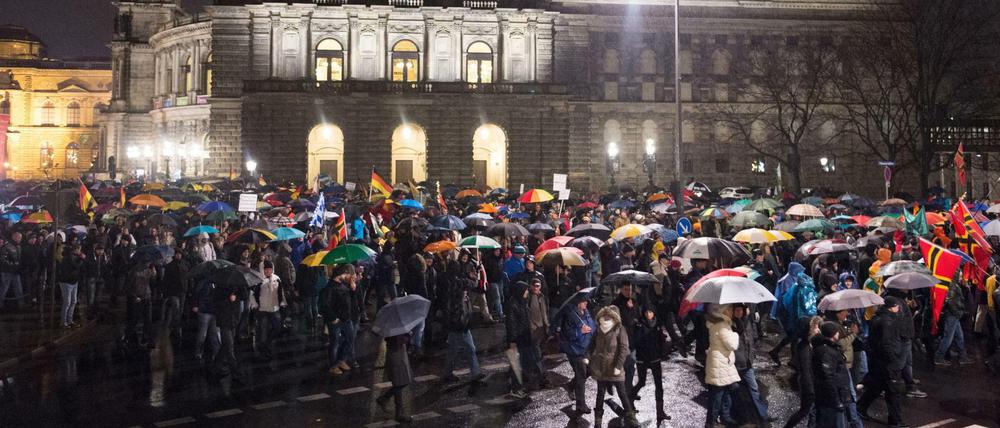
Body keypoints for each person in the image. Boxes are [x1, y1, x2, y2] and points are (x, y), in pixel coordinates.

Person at [858, 297, 907, 427]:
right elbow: (887, 344)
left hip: (878, 360)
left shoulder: (878, 318)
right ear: (891, 307)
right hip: (888, 362)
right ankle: (896, 421)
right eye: (897, 307)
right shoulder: (888, 322)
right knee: (893, 391)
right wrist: (894, 361)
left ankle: (860, 407)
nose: (899, 309)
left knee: (876, 386)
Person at [588, 305, 639, 427]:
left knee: (622, 392)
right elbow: (592, 345)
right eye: (604, 315)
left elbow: (623, 349)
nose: (606, 318)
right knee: (600, 393)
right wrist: (589, 357)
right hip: (601, 368)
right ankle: (598, 421)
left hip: (615, 368)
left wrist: (618, 366)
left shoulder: (620, 329)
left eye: (609, 315)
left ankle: (631, 418)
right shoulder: (599, 329)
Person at [553, 293, 595, 415]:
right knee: (581, 375)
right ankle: (581, 405)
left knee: (590, 371)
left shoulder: (586, 313)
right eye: (583, 301)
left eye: (586, 301)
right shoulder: (571, 315)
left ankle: (571, 386)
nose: (586, 303)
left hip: (585, 348)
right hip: (575, 350)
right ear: (578, 303)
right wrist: (579, 331)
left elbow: (592, 326)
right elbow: (567, 334)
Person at [732, 303, 772, 425]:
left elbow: (750, 339)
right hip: (736, 363)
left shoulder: (746, 321)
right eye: (736, 310)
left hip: (747, 361)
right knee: (734, 391)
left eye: (741, 310)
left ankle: (763, 415)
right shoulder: (730, 325)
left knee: (754, 389)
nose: (739, 312)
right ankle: (738, 416)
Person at [812, 321, 854, 428]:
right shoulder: (826, 351)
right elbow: (828, 378)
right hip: (830, 399)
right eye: (837, 332)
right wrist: (836, 400)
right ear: (832, 334)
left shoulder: (830, 348)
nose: (838, 334)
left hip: (834, 396)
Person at [631, 307, 669, 422]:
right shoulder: (639, 325)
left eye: (651, 312)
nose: (648, 314)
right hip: (642, 359)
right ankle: (629, 401)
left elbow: (662, 340)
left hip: (655, 358)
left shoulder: (658, 324)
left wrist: (663, 343)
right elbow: (635, 340)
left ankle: (660, 412)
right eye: (647, 312)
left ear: (654, 313)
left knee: (659, 385)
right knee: (642, 382)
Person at [784, 316, 822, 428]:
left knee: (812, 411)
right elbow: (805, 370)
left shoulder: (809, 343)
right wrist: (810, 389)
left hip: (811, 383)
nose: (818, 330)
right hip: (807, 385)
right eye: (815, 327)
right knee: (805, 411)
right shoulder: (804, 347)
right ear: (807, 329)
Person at [705, 303, 739, 427]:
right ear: (723, 311)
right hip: (720, 363)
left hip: (721, 362)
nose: (732, 311)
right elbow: (732, 345)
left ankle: (724, 416)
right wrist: (735, 334)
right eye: (729, 309)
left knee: (726, 391)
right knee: (717, 395)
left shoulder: (721, 324)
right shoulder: (722, 325)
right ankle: (711, 422)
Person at [321, 264, 355, 376]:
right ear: (339, 275)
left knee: (350, 338)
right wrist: (333, 318)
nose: (347, 276)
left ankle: (341, 359)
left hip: (346, 319)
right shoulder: (329, 288)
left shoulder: (343, 285)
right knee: (334, 343)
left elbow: (349, 300)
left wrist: (353, 288)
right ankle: (333, 365)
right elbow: (324, 305)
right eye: (346, 274)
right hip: (336, 320)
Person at [934, 278, 974, 366]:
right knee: (948, 337)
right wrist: (957, 312)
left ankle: (963, 356)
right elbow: (949, 301)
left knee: (959, 336)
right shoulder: (951, 285)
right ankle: (939, 357)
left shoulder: (954, 284)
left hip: (955, 314)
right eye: (959, 274)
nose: (961, 276)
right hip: (952, 315)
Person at [251, 261, 286, 360]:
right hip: (262, 309)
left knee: (277, 328)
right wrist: (255, 305)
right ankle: (263, 350)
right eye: (266, 269)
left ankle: (267, 344)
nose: (268, 271)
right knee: (263, 331)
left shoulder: (277, 279)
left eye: (270, 269)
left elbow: (281, 292)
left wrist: (282, 303)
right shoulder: (258, 280)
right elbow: (252, 294)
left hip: (275, 308)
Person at [505, 281, 534, 398]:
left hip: (524, 337)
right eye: (526, 290)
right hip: (517, 339)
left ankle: (518, 385)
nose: (527, 292)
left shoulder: (523, 302)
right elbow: (511, 325)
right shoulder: (513, 305)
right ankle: (515, 389)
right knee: (516, 364)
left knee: (522, 362)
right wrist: (513, 341)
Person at [376, 333, 414, 423]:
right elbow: (398, 342)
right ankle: (398, 414)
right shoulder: (395, 332)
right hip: (397, 356)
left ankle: (385, 398)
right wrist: (408, 336)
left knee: (402, 382)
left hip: (399, 355)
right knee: (400, 383)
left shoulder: (392, 328)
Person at [612, 282, 640, 390]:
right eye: (626, 289)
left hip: (632, 337)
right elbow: (624, 321)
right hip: (622, 338)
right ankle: (622, 385)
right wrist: (630, 309)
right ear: (621, 289)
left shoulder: (633, 301)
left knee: (631, 364)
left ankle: (627, 387)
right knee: (629, 361)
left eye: (630, 289)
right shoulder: (616, 304)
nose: (628, 292)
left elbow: (637, 316)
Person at [57, 245, 85, 328]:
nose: (80, 251)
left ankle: (70, 320)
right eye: (79, 249)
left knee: (73, 301)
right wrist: (81, 258)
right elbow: (75, 266)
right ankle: (63, 322)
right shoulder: (68, 257)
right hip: (67, 282)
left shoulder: (74, 257)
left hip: (74, 281)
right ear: (75, 250)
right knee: (67, 302)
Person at [0, 232, 24, 310]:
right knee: (4, 288)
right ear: (14, 237)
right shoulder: (7, 246)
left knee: (18, 288)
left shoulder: (19, 247)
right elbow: (3, 259)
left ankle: (21, 304)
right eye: (19, 237)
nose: (20, 239)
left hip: (16, 271)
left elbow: (19, 259)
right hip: (7, 271)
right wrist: (12, 264)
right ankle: (1, 304)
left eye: (21, 238)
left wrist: (18, 266)